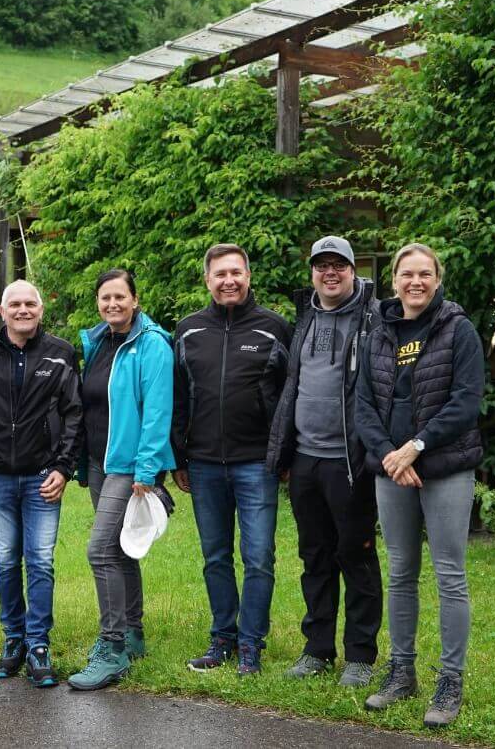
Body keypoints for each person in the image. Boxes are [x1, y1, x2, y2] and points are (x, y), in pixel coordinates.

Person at [354, 243, 484, 727]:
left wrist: (417, 446)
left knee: (450, 575)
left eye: (425, 274)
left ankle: (450, 682)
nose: (416, 282)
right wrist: (392, 454)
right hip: (394, 469)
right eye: (407, 274)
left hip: (445, 467)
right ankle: (400, 671)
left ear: (436, 279)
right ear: (393, 281)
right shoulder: (379, 332)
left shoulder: (458, 330)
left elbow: (466, 401)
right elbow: (363, 403)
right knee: (401, 572)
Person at [266, 236, 383, 687]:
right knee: (314, 558)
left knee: (355, 556)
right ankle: (317, 650)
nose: (329, 273)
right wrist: (286, 455)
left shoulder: (374, 319)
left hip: (350, 462)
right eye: (321, 266)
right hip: (306, 461)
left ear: (354, 271)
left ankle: (360, 655)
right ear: (312, 271)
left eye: (339, 265)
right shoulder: (305, 316)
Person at [0, 280, 83, 688]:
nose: (23, 310)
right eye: (15, 304)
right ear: (2, 310)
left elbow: (75, 415)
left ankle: (38, 643)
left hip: (44, 476)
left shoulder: (61, 354)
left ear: (41, 310)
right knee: (7, 559)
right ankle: (13, 640)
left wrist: (64, 467)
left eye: (30, 303)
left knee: (40, 560)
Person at [172, 243, 291, 676]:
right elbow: (178, 399)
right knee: (216, 555)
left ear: (248, 276)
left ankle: (251, 644)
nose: (229, 281)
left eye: (236, 273)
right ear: (208, 280)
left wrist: (285, 454)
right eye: (220, 274)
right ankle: (222, 637)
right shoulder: (187, 331)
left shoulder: (275, 328)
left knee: (259, 556)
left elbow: (288, 399)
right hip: (203, 464)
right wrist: (177, 456)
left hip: (257, 463)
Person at [67, 269, 174, 691]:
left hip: (128, 466)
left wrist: (147, 471)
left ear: (135, 299)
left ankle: (111, 649)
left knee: (100, 551)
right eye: (105, 297)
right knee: (121, 550)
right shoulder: (98, 341)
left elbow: (158, 411)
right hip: (99, 460)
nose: (112, 304)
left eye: (119, 296)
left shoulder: (152, 345)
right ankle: (133, 634)